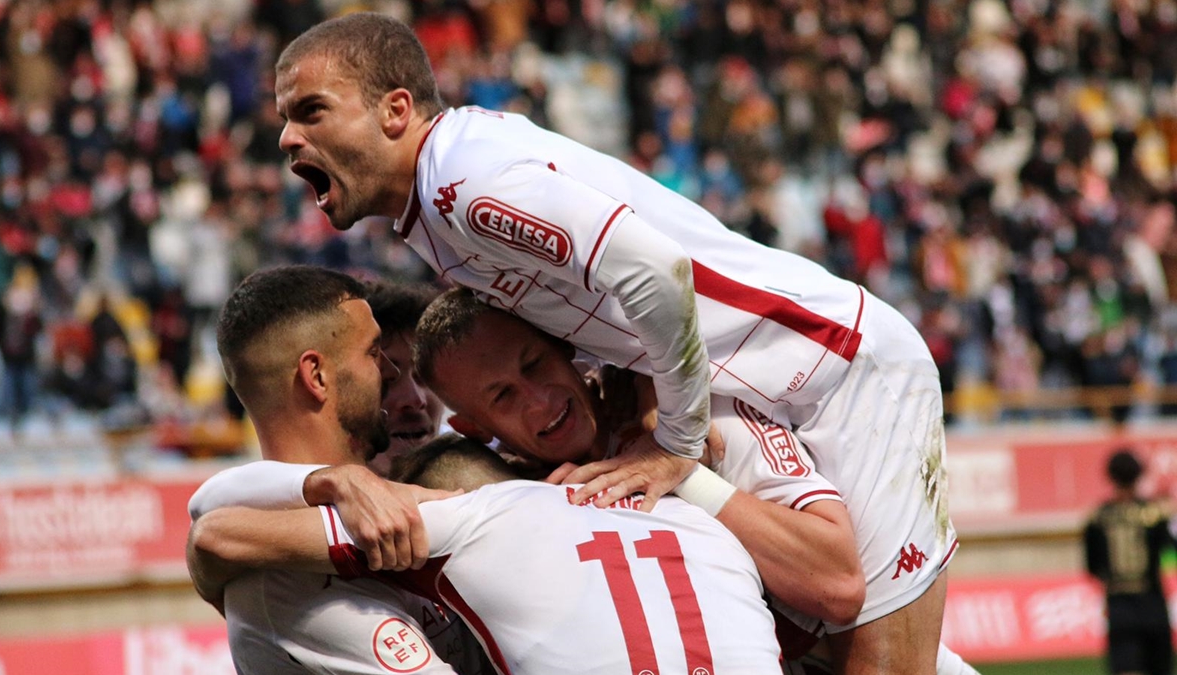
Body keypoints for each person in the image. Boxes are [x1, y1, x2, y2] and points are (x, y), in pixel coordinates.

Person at [276, 13, 952, 674]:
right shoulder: (440, 200)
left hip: (843, 369)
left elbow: (657, 268)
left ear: (396, 110)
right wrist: (652, 388)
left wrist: (676, 442)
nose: (286, 137)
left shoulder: (466, 183)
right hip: (784, 380)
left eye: (312, 111)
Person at [190, 434, 786, 675]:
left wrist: (340, 484)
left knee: (262, 589)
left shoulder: (477, 516)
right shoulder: (703, 522)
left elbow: (220, 535)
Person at [186, 265, 483, 675]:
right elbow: (211, 532)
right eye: (375, 353)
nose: (394, 378)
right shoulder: (282, 578)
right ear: (317, 375)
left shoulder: (386, 495)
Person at [1083, 449, 1175, 675]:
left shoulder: (1098, 518)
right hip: (1153, 604)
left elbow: (1092, 567)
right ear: (1139, 476)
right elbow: (1171, 550)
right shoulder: (1154, 514)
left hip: (1119, 606)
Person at [363, 280, 447, 475]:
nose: (415, 400)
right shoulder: (290, 497)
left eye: (425, 375)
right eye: (385, 379)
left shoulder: (494, 479)